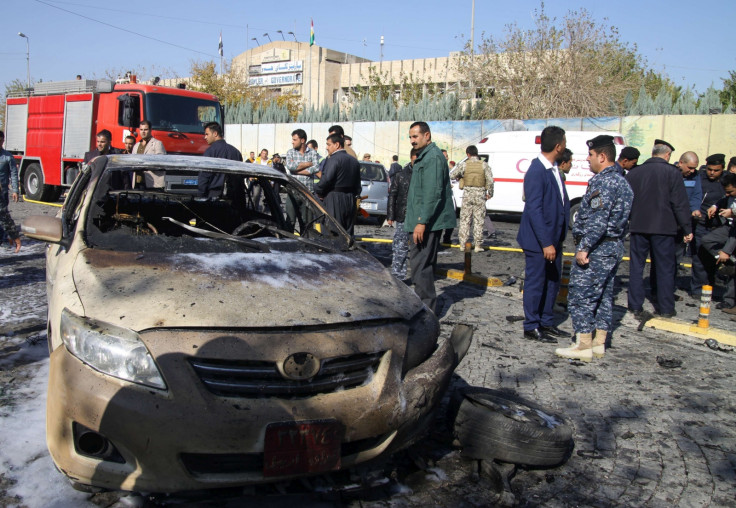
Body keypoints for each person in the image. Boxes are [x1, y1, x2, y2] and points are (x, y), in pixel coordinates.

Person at [555, 135, 633, 362]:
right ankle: (599, 342)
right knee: (603, 296)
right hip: (613, 246)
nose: (587, 160)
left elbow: (598, 219)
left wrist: (584, 247)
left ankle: (583, 345)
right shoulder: (622, 182)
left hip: (597, 248)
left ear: (602, 156)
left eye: (590, 155)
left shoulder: (604, 182)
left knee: (581, 296)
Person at [626, 139, 692, 318]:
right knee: (665, 268)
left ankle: (634, 305)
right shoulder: (672, 173)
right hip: (664, 227)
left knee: (636, 266)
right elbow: (679, 204)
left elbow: (627, 202)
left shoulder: (634, 173)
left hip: (639, 226)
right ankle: (665, 307)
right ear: (667, 155)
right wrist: (687, 228)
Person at [517, 126, 570, 343]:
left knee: (552, 281)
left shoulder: (554, 168)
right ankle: (531, 325)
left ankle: (546, 321)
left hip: (553, 239)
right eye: (564, 142)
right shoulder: (537, 170)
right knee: (536, 283)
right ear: (558, 146)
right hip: (540, 241)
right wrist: (546, 242)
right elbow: (534, 209)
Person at [404, 122, 456, 314]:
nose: (412, 141)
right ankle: (425, 308)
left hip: (426, 224)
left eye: (415, 136)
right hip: (422, 221)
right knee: (421, 267)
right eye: (410, 137)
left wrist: (421, 221)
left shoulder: (432, 158)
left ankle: (426, 313)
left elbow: (432, 193)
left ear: (427, 135)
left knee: (420, 269)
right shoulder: (426, 156)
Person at [691, 153, 727, 297]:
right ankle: (698, 289)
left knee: (715, 260)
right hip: (702, 225)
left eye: (716, 170)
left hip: (719, 227)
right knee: (699, 259)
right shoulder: (700, 179)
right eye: (710, 169)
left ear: (722, 169)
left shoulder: (726, 181)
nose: (712, 173)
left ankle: (709, 287)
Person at [313, 134, 362, 237]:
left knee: (332, 232)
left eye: (328, 144)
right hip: (350, 200)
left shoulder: (334, 159)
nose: (326, 147)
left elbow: (326, 180)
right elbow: (358, 185)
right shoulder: (354, 161)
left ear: (337, 145)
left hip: (334, 199)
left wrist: (317, 190)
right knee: (347, 234)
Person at [701, 172, 736, 313]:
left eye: (730, 191)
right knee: (707, 240)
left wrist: (726, 251)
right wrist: (716, 206)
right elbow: (724, 198)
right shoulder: (729, 196)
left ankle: (730, 301)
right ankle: (730, 262)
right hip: (730, 228)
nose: (728, 195)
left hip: (734, 231)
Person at [450, 145, 494, 253]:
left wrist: (460, 177)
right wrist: (490, 193)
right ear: (477, 153)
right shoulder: (484, 165)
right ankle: (478, 245)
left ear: (468, 154)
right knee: (479, 220)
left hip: (467, 194)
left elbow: (452, 175)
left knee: (465, 220)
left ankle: (463, 244)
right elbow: (490, 181)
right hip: (480, 195)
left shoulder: (464, 165)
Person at [387, 149, 417, 280]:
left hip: (419, 217)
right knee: (400, 246)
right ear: (411, 158)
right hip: (403, 216)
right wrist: (390, 215)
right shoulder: (401, 175)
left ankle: (418, 276)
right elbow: (392, 195)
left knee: (418, 249)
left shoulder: (425, 175)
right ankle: (398, 275)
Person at [198, 122, 244, 199]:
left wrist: (201, 196)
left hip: (214, 196)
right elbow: (240, 177)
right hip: (234, 197)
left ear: (215, 134)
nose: (205, 137)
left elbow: (204, 176)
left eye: (207, 134)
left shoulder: (210, 151)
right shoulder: (236, 152)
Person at [285, 129, 320, 229]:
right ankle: (287, 243)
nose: (292, 142)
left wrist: (297, 170)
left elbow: (316, 168)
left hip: (307, 193)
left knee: (306, 223)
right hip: (293, 192)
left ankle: (306, 244)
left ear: (302, 140)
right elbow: (290, 166)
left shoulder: (312, 153)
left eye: (295, 139)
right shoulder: (290, 152)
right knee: (290, 220)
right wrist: (308, 164)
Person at [132, 120, 166, 188]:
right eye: (141, 129)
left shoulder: (157, 143)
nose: (143, 132)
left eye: (145, 129)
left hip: (153, 183)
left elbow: (161, 162)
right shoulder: (136, 145)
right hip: (137, 182)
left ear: (150, 130)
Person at [0, 130, 20, 209]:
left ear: (3, 141)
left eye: (0, 140)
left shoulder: (8, 157)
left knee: (3, 216)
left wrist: (15, 190)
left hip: (2, 192)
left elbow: (14, 174)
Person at [440, 149, 455, 246]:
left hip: (447, 197)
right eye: (445, 156)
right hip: (440, 198)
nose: (447, 157)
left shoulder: (445, 167)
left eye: (447, 156)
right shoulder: (437, 167)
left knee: (450, 219)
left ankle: (447, 238)